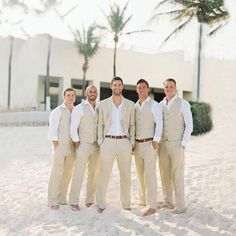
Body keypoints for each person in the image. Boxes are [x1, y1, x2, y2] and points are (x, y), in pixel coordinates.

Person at [96, 76, 135, 213]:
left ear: (122, 87)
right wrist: (101, 142)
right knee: (104, 174)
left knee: (125, 174)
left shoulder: (130, 104)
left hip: (125, 142)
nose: (117, 87)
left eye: (119, 85)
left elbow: (132, 125)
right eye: (115, 85)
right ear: (111, 86)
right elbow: (100, 124)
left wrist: (131, 143)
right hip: (108, 142)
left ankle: (126, 203)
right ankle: (100, 203)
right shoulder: (103, 104)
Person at [158, 78, 193, 214]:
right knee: (164, 174)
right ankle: (168, 202)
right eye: (166, 86)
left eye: (171, 86)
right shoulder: (160, 104)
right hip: (162, 145)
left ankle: (180, 206)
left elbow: (189, 125)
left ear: (175, 87)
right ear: (164, 88)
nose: (169, 89)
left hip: (177, 144)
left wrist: (183, 144)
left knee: (177, 174)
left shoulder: (183, 103)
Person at [134, 79, 163, 216]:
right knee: (140, 174)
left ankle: (152, 205)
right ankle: (143, 200)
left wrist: (156, 140)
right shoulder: (135, 105)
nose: (141, 90)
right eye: (139, 88)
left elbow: (160, 123)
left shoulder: (154, 105)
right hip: (137, 145)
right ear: (137, 89)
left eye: (144, 87)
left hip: (149, 143)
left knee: (149, 175)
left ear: (148, 89)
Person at [68, 85, 99, 211]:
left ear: (97, 93)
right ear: (86, 93)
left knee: (93, 174)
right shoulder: (79, 108)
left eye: (94, 91)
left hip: (96, 146)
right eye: (90, 91)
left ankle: (90, 199)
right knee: (78, 173)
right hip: (83, 145)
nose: (92, 93)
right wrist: (77, 143)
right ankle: (74, 200)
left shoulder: (100, 107)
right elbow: (73, 128)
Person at [48, 88, 76, 210]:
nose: (70, 97)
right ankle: (53, 200)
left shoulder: (76, 111)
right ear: (64, 96)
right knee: (56, 173)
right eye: (68, 95)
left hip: (72, 147)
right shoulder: (57, 111)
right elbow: (52, 131)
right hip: (60, 146)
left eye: (72, 95)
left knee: (67, 174)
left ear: (75, 97)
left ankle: (62, 198)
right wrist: (56, 146)